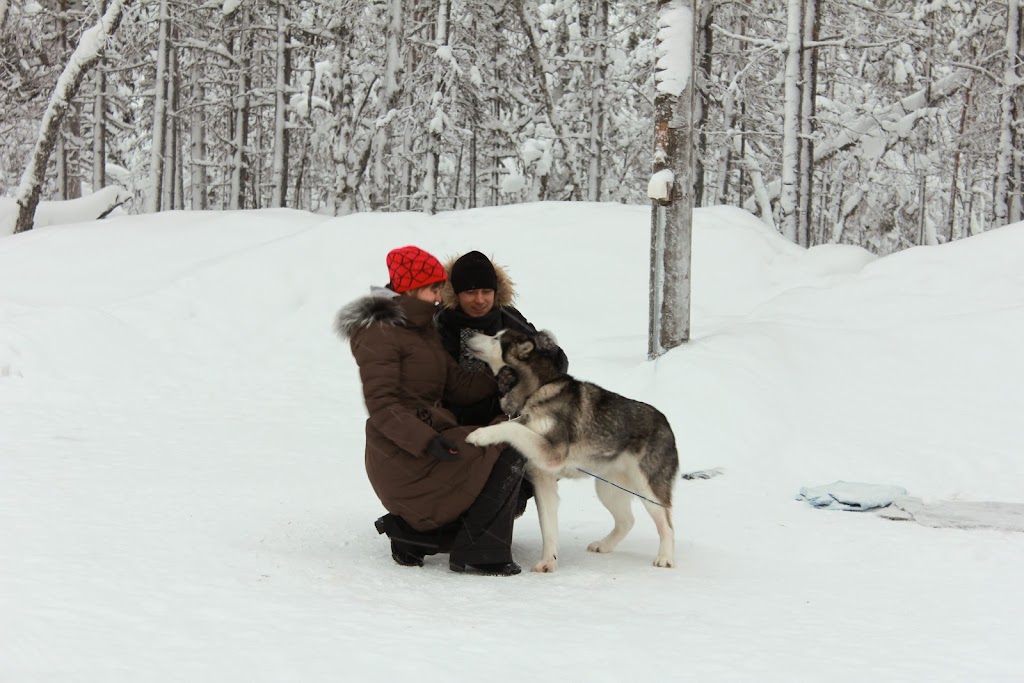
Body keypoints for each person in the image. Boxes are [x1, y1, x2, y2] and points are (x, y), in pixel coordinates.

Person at [335, 245, 525, 576]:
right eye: (434, 289)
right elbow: (382, 404)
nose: (440, 297)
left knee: (512, 433)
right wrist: (426, 441)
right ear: (410, 288)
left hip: (427, 440)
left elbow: (460, 387)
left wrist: (503, 370)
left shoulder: (422, 330)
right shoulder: (379, 332)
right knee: (512, 444)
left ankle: (416, 536)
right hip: (403, 455)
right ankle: (482, 550)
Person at [435, 250, 569, 427]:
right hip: (453, 424)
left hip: (508, 417)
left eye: (486, 291)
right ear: (455, 294)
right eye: (471, 292)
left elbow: (556, 366)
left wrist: (549, 353)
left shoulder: (507, 317)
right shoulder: (440, 324)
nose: (480, 300)